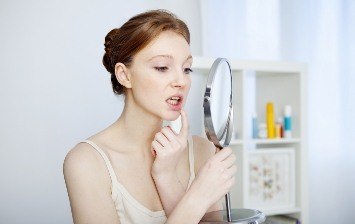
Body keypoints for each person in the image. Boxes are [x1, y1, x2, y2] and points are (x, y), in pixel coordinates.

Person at [63, 9, 237, 224]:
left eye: (187, 69)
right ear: (124, 75)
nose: (181, 81)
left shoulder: (202, 151)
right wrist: (199, 196)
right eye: (162, 67)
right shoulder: (87, 163)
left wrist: (166, 177)